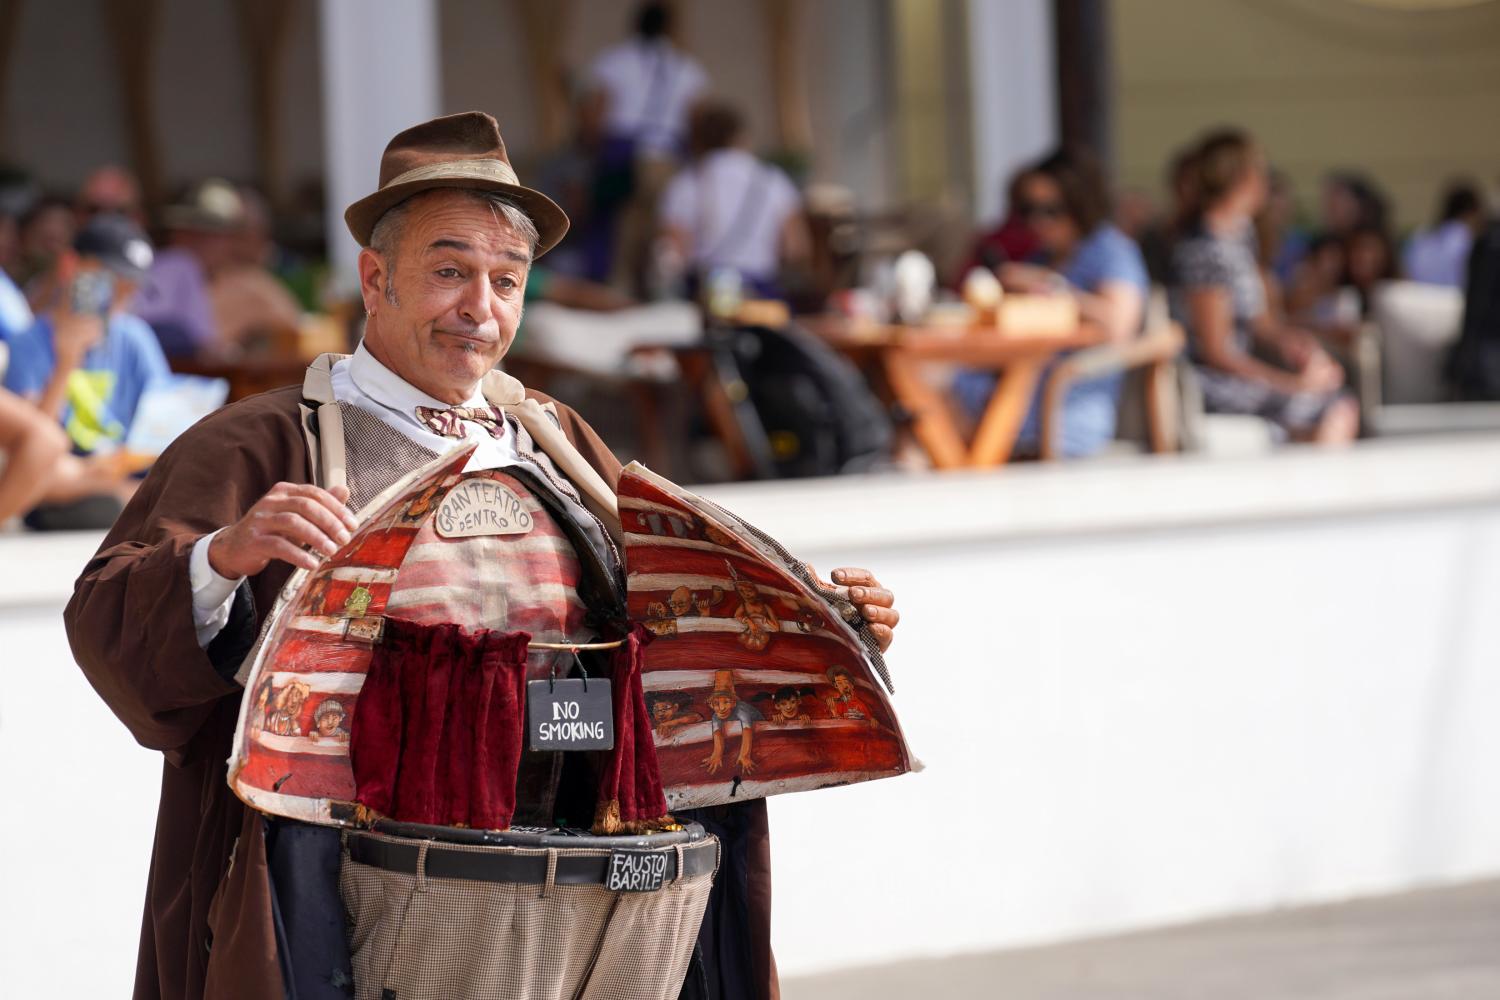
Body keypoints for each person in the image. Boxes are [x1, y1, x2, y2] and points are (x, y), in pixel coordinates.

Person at [65, 111, 901, 1000]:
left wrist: (811, 616)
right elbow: (106, 619)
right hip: (358, 895)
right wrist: (224, 560)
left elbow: (676, 613)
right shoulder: (263, 444)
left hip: (587, 882)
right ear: (375, 277)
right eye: (450, 271)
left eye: (508, 279)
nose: (481, 308)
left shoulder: (555, 438)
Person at [953, 149, 1149, 458]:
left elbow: (1117, 326)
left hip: (1065, 407)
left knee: (937, 416)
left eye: (1051, 210)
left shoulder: (1110, 250)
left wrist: (1050, 287)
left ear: (1080, 205)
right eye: (1028, 209)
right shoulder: (1041, 257)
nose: (1037, 221)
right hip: (1015, 392)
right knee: (928, 393)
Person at [1169, 129, 1359, 445]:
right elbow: (1216, 352)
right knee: (1331, 406)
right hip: (1213, 383)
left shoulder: (1239, 237)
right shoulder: (1204, 250)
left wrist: (1298, 346)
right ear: (1241, 177)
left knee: (1335, 399)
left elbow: (1260, 324)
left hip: (1241, 376)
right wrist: (1289, 383)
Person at [3, 213, 168, 525]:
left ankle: (125, 496)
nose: (123, 291)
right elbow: (32, 447)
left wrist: (116, 462)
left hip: (121, 468)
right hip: (59, 476)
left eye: (132, 283)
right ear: (71, 266)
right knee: (52, 471)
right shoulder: (30, 342)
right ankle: (127, 497)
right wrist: (67, 363)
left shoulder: (135, 336)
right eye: (111, 276)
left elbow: (162, 426)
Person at [657, 101, 809, 300]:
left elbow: (675, 251)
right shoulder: (772, 180)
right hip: (759, 288)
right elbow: (795, 247)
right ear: (741, 137)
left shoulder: (687, 182)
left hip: (705, 290)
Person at [131, 179, 246, 357]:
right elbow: (205, 345)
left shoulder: (172, 267)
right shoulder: (181, 265)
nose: (228, 245)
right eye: (212, 235)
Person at [1404, 180, 1485, 289]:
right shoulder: (1465, 240)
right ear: (1472, 212)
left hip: (1416, 300)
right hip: (1453, 301)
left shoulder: (1419, 236)